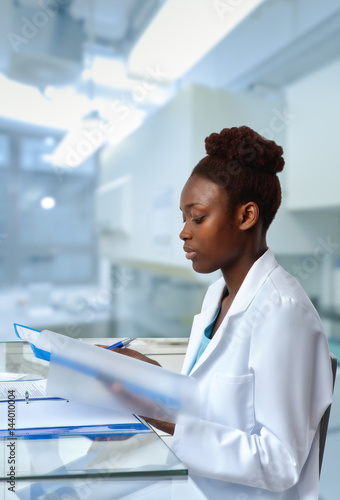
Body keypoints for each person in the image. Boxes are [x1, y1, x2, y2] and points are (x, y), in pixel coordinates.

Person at [108, 126, 333, 499]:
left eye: (197, 218)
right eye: (184, 218)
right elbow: (210, 407)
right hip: (198, 486)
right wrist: (148, 376)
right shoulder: (219, 295)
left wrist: (159, 414)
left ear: (246, 216)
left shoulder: (283, 313)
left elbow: (280, 463)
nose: (184, 232)